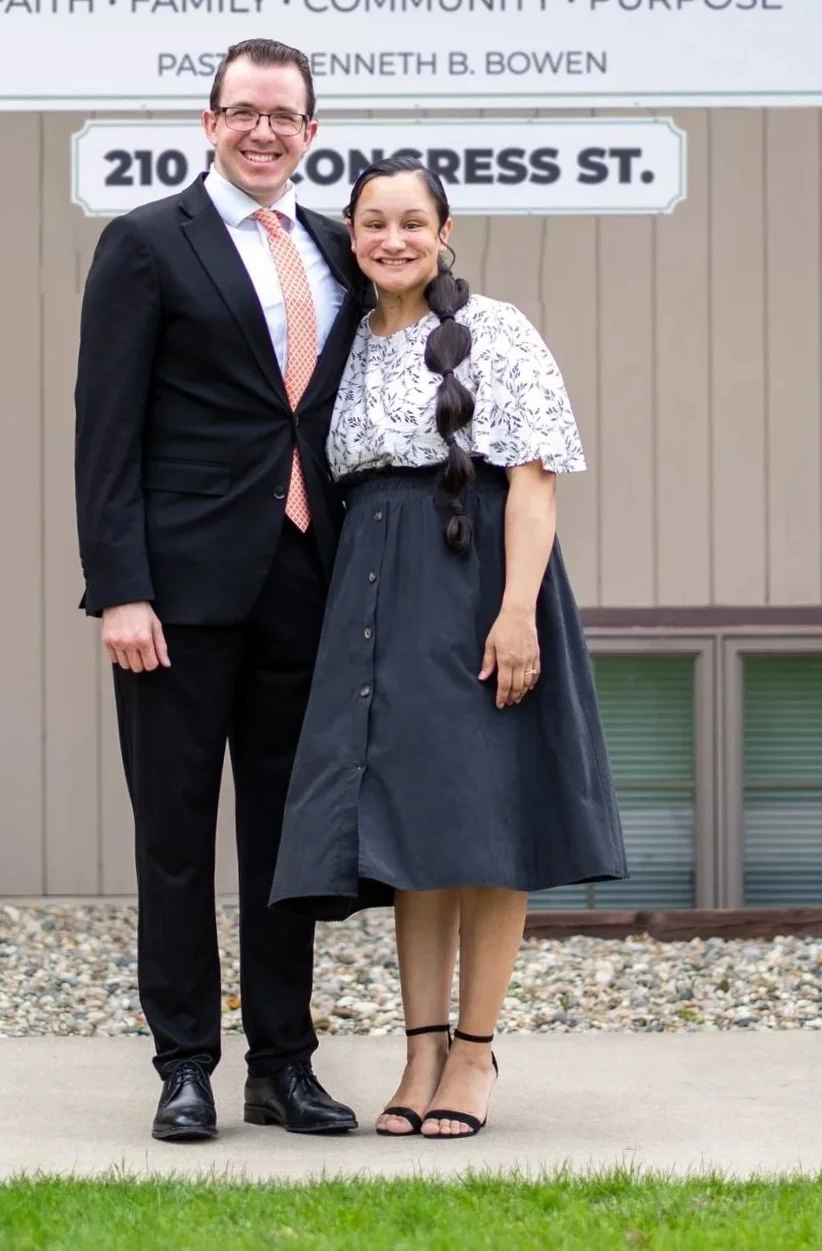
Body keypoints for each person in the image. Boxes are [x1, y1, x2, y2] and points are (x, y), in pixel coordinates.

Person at [270, 157, 627, 1139]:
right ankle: (418, 1048)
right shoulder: (344, 346)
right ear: (349, 232)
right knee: (411, 833)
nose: (391, 239)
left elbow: (534, 481)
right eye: (372, 223)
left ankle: (473, 1053)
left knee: (488, 823)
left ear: (444, 229)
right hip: (372, 598)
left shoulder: (494, 332)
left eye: (410, 222)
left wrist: (515, 614)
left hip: (474, 587)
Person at [74, 38, 366, 1142]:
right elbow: (105, 431)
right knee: (175, 836)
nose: (262, 131)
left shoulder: (339, 249)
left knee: (288, 844)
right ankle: (185, 1064)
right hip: (177, 597)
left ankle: (282, 1065)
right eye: (242, 111)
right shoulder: (148, 243)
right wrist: (120, 590)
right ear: (208, 123)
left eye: (283, 115)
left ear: (310, 133)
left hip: (308, 584)